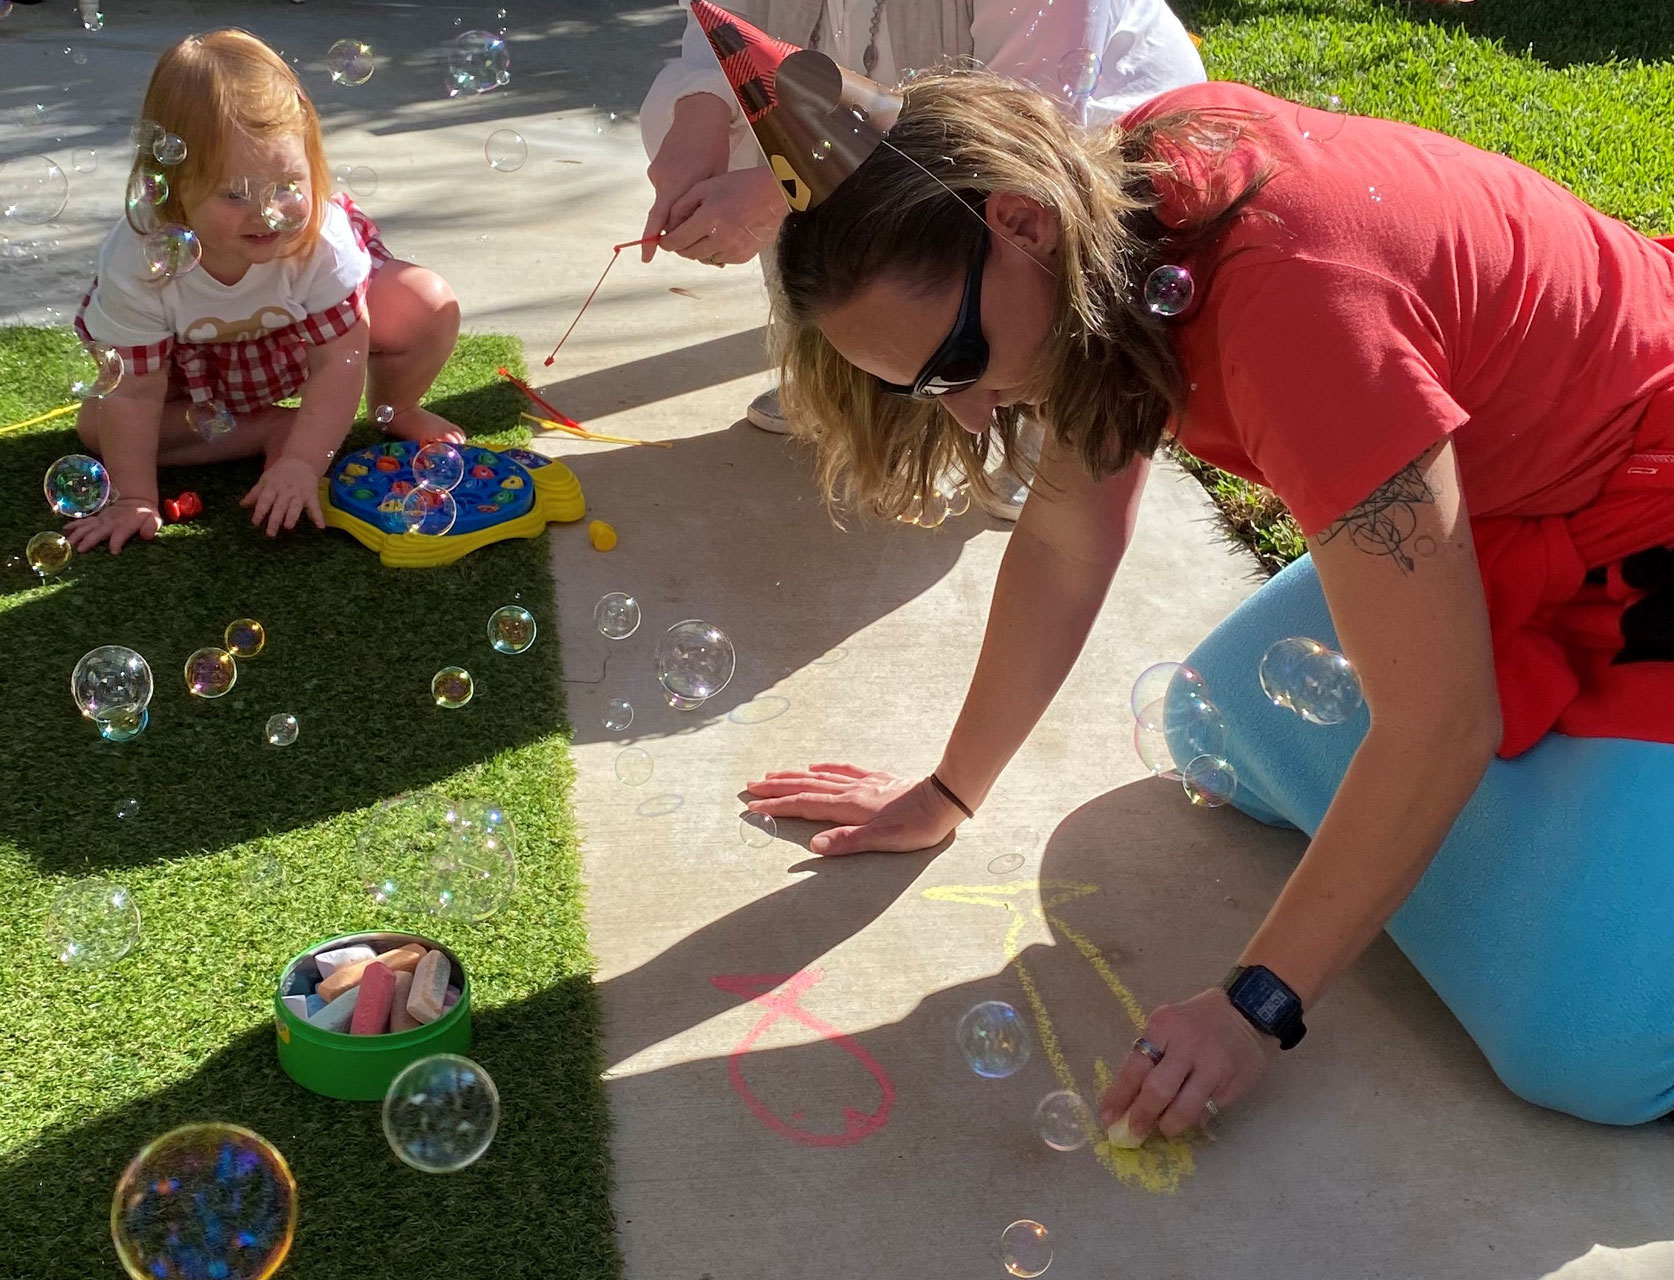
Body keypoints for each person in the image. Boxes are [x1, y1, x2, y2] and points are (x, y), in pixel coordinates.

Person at [696, 7, 1674, 1145]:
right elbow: (1066, 541)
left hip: (1650, 516)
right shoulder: (1109, 219)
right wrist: (946, 793)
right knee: (1214, 725)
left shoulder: (1294, 313)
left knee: (1586, 1048)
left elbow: (1439, 721)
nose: (968, 409)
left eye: (956, 360)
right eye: (922, 391)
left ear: (1015, 219)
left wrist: (1257, 1005)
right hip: (1505, 505)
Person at [638, 0, 1204, 515]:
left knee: (1011, 264)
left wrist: (778, 188)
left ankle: (1043, 406)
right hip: (881, 124)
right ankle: (900, 373)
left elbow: (1026, 121)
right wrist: (700, 113)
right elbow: (722, 23)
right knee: (850, 243)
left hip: (1063, 126)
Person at [67, 28, 464, 555]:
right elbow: (136, 392)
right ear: (173, 187)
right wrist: (134, 497)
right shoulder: (141, 258)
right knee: (100, 429)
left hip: (299, 350)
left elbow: (339, 358)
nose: (268, 214)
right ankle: (267, 429)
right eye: (234, 193)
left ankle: (395, 405)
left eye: (288, 186)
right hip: (193, 385)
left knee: (426, 304)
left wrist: (304, 465)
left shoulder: (319, 238)